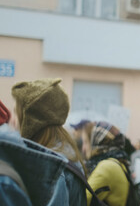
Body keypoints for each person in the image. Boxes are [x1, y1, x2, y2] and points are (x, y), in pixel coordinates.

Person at [11, 78, 87, 206]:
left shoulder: (52, 166)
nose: (13, 121)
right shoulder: (63, 152)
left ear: (31, 121)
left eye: (17, 114)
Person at [85, 121, 130, 206]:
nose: (84, 148)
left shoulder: (107, 166)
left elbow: (82, 200)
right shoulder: (117, 160)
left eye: (86, 142)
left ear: (96, 142)